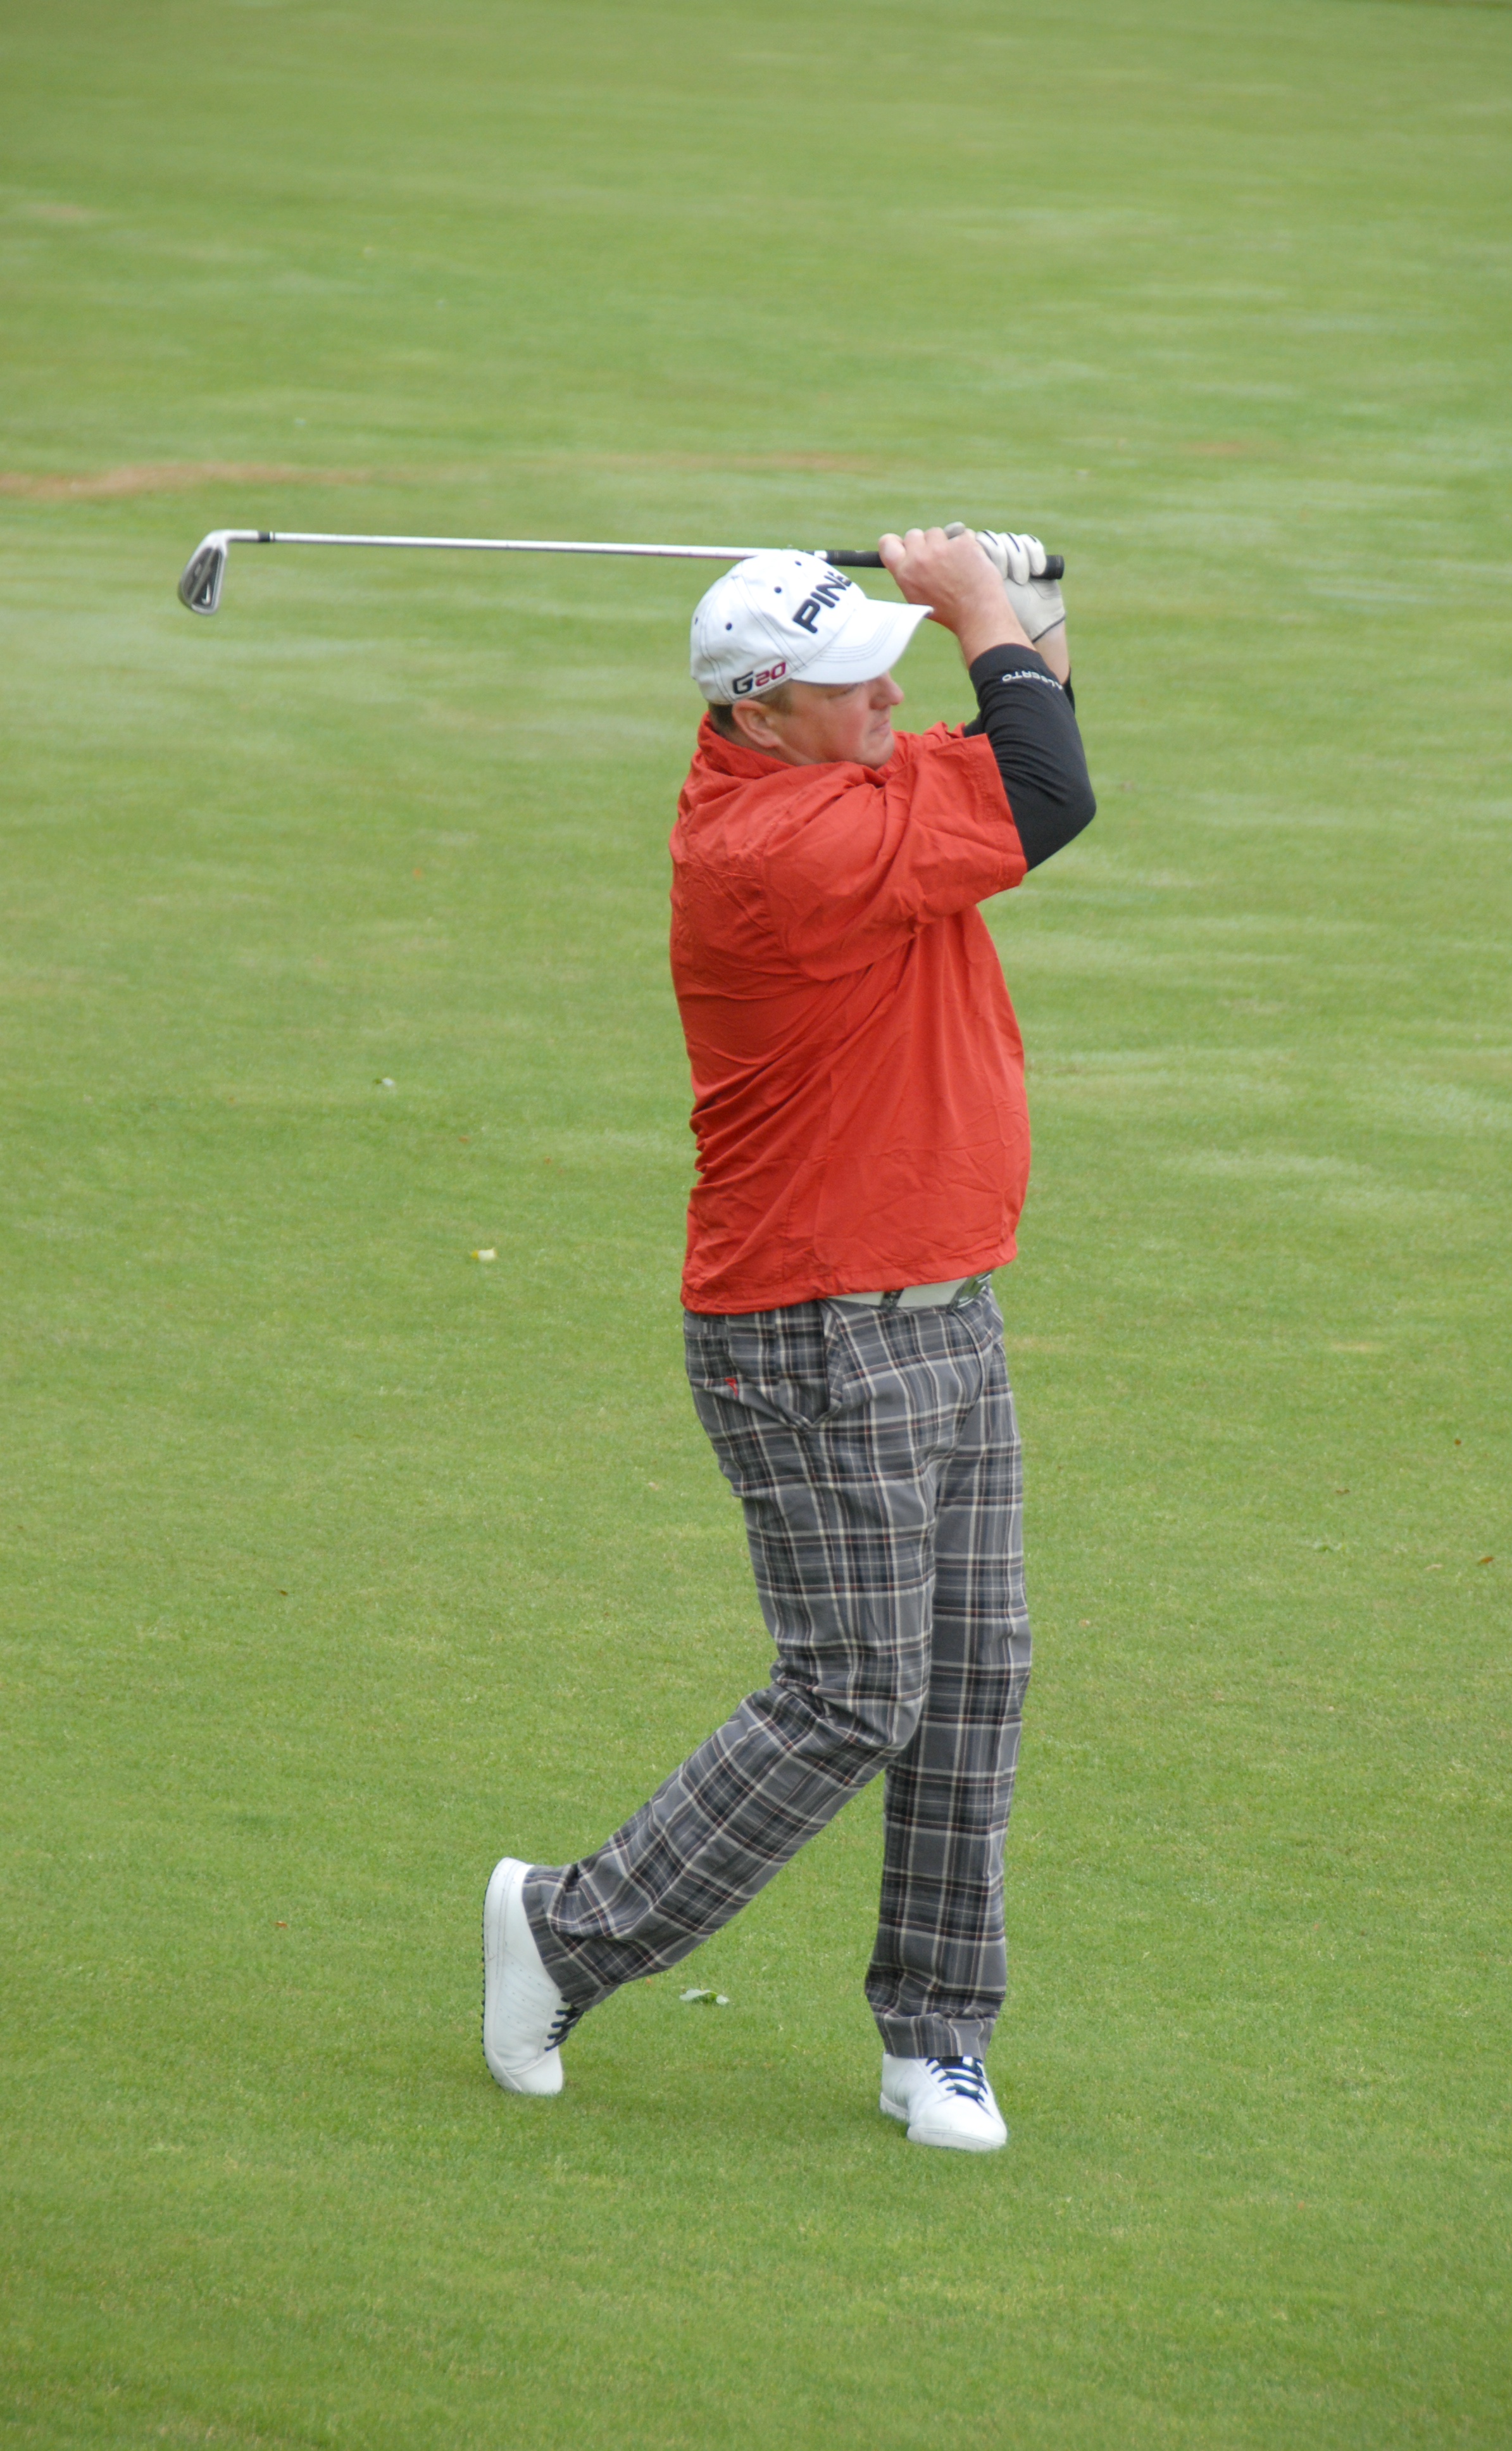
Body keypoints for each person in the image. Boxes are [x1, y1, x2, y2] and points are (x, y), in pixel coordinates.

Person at [483, 525, 1094, 2151]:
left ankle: (937, 2036)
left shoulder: (846, 776)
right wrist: (983, 612)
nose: (889, 697)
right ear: (759, 711)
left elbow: (1031, 746)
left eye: (887, 666)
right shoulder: (780, 849)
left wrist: (1029, 613)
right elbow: (1051, 795)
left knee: (975, 1678)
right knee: (854, 1692)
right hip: (811, 1331)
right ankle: (565, 1930)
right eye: (850, 682)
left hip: (944, 1301)